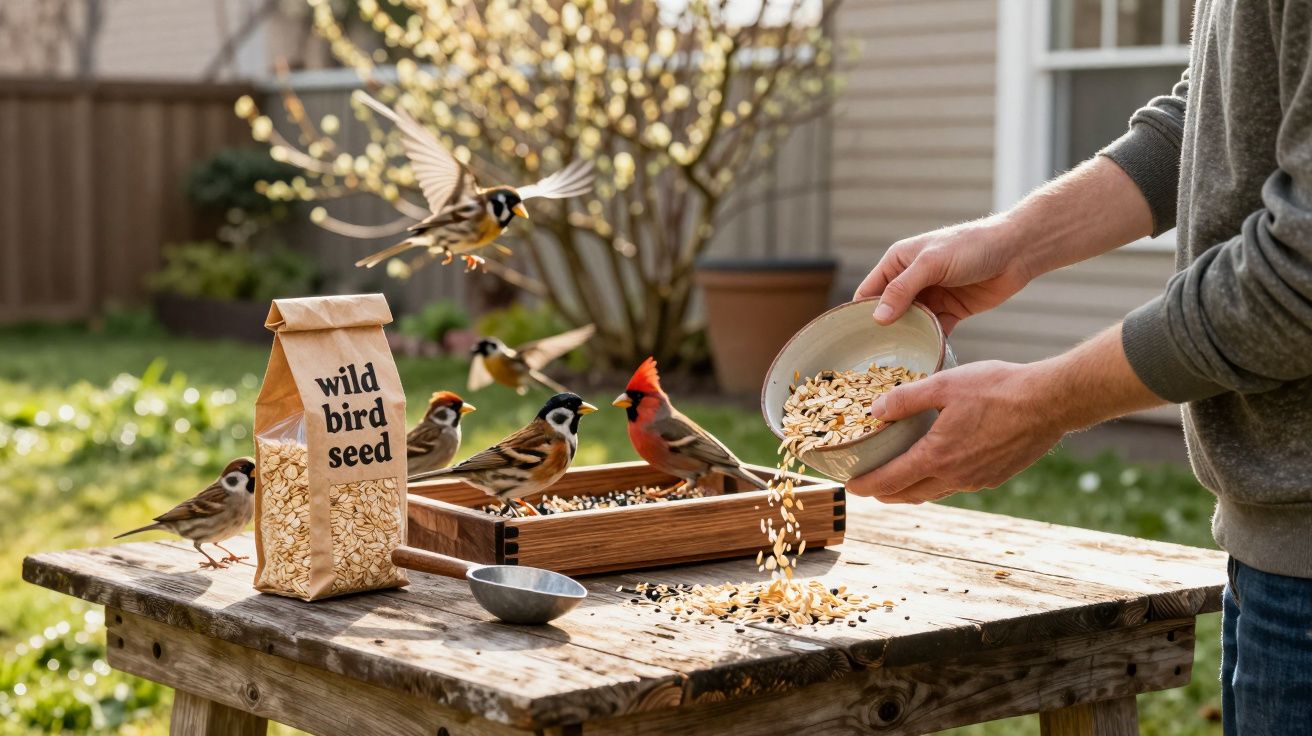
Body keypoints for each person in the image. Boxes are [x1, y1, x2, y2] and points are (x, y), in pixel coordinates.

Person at [846, 2, 1312, 734]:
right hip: (1272, 549)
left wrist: (1041, 401)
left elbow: (1299, 278)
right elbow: (1225, 109)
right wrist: (1013, 240)